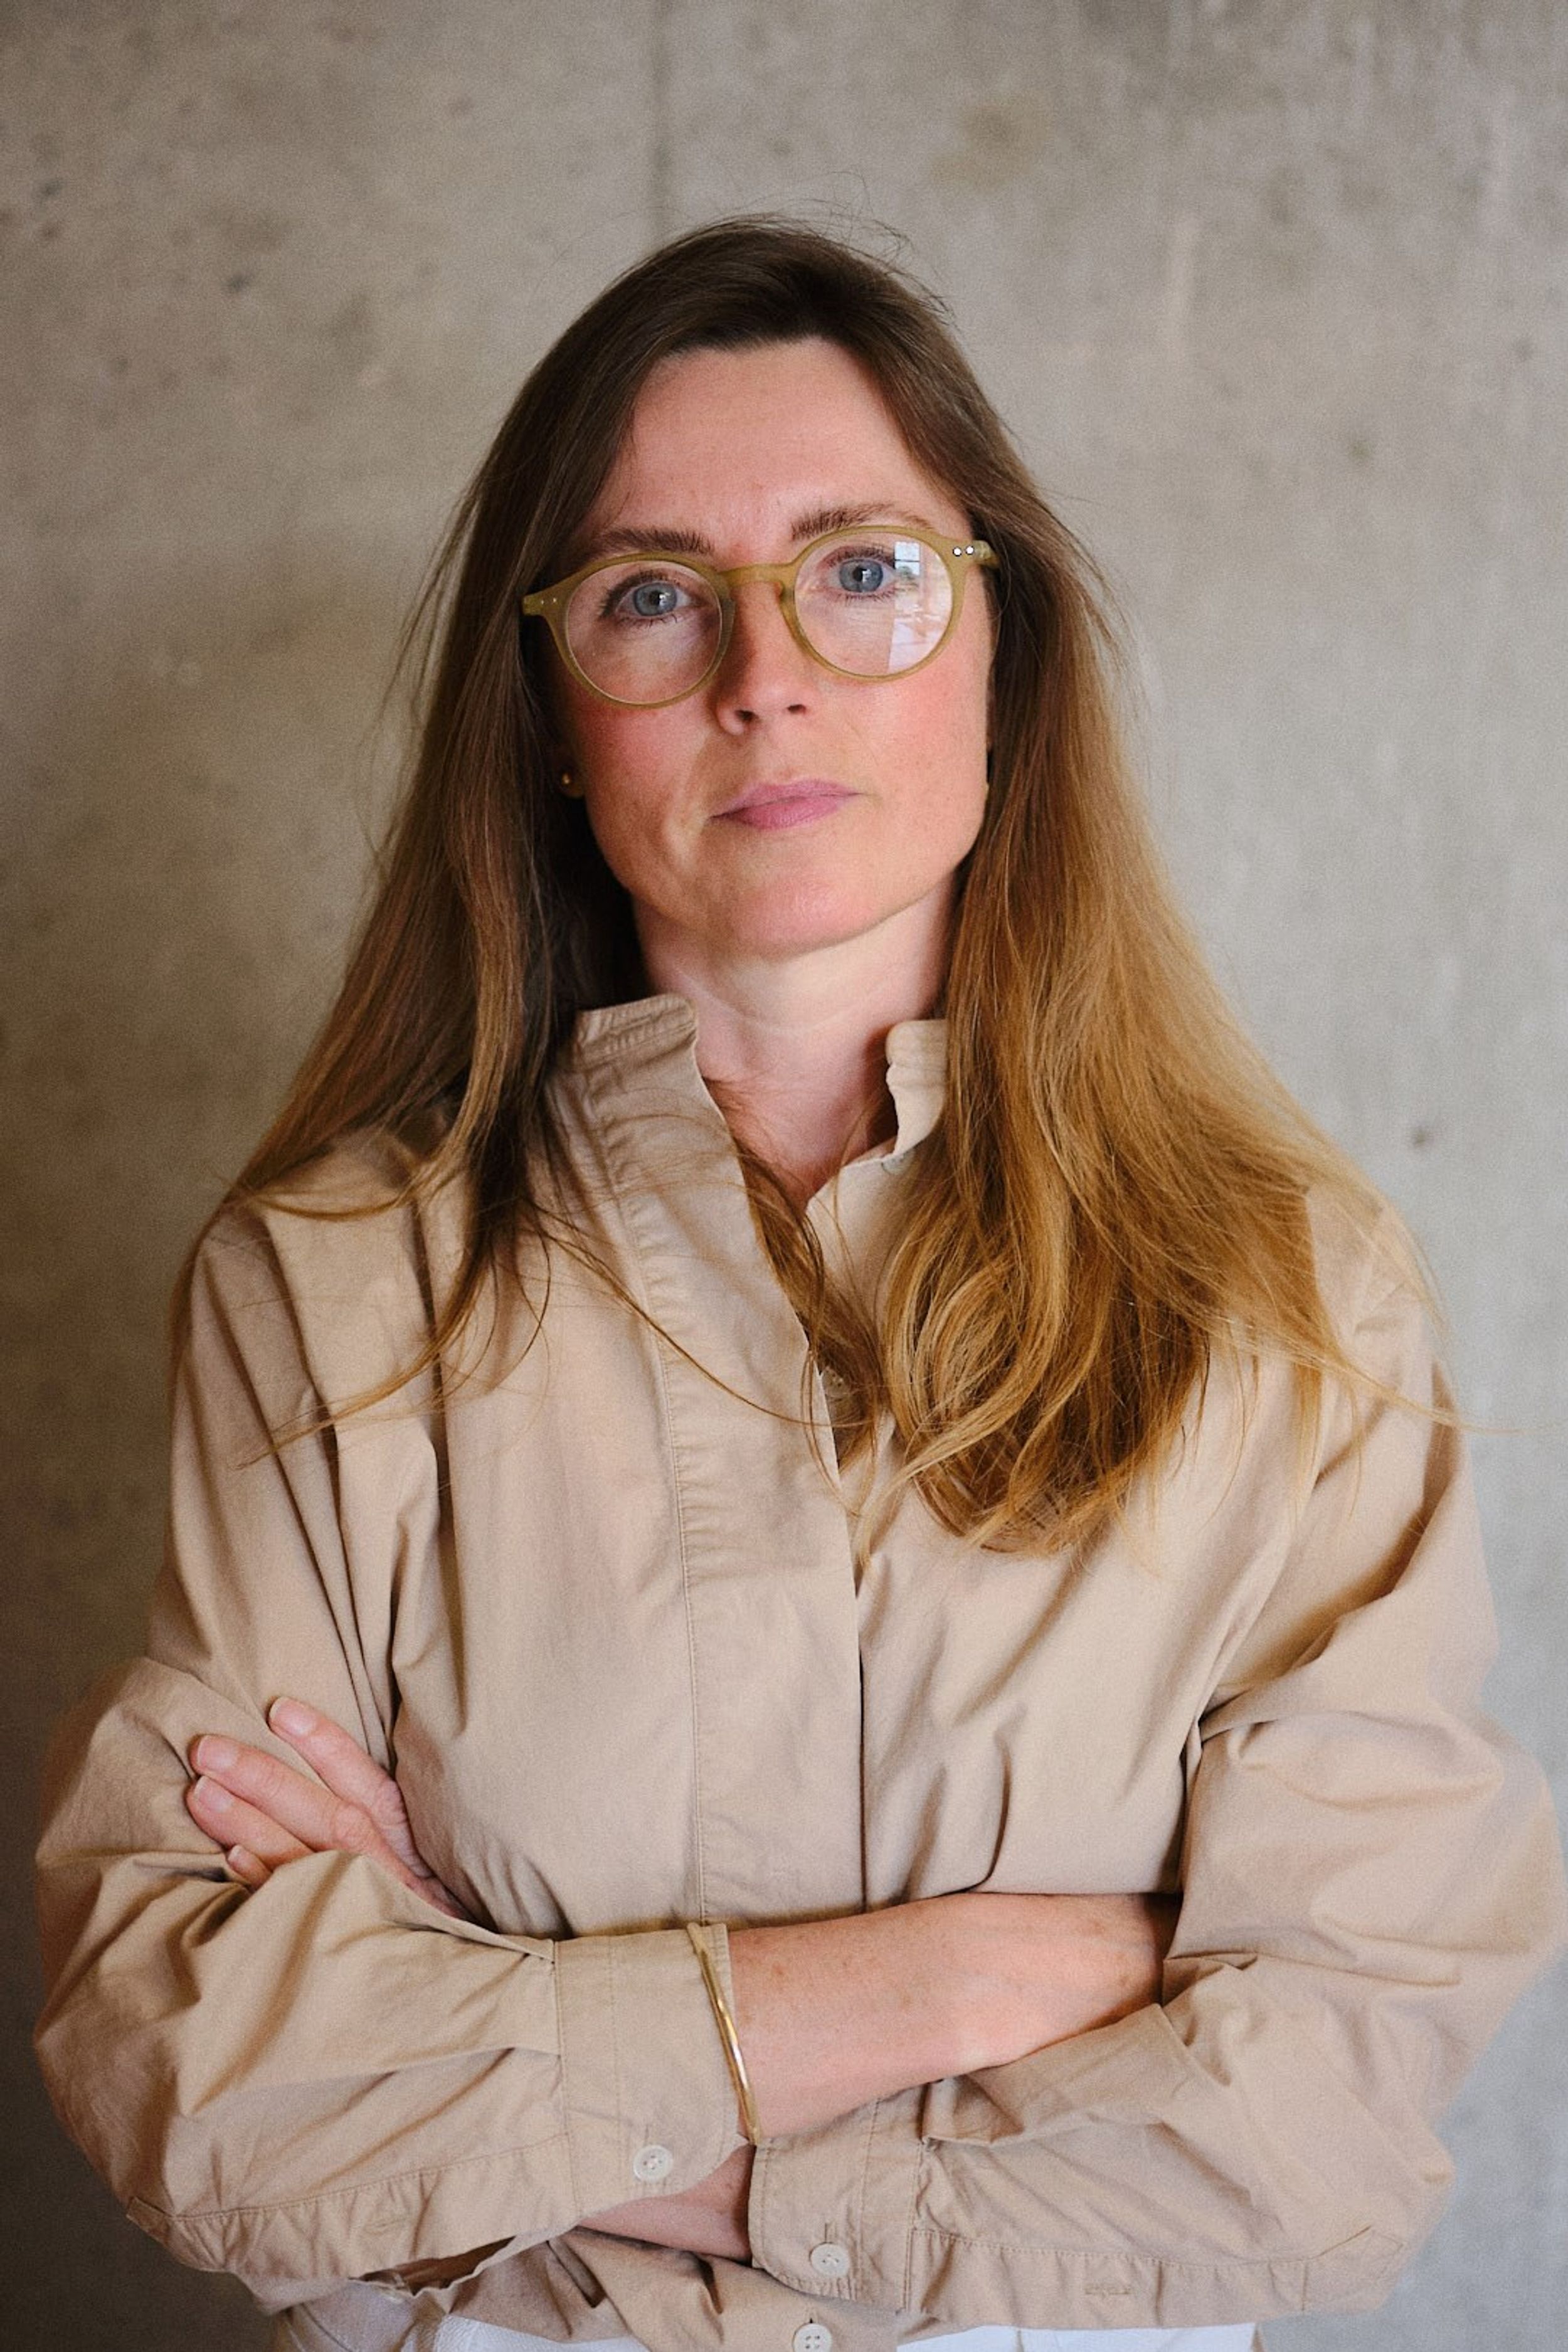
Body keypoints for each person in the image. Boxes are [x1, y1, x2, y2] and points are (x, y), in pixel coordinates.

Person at [34, 218, 1563, 2352]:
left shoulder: (1289, 1300)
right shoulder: (329, 1288)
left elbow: (1317, 2142)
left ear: (1001, 656)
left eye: (862, 570)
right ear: (557, 712)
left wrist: (511, 2027)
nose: (765, 673)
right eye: (654, 595)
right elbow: (196, 2087)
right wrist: (951, 1986)